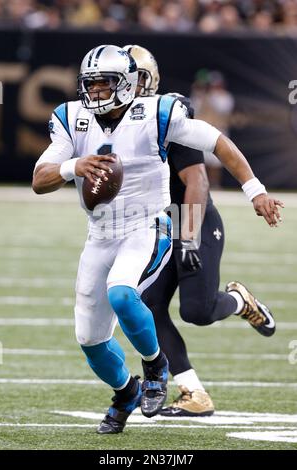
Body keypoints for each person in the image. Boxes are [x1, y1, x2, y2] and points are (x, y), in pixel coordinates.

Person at [32, 44, 282, 434]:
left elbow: (209, 157)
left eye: (105, 84)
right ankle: (127, 392)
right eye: (91, 85)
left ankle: (158, 367)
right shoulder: (72, 118)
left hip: (156, 223)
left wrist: (254, 192)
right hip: (100, 233)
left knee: (148, 299)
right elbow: (39, 178)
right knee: (91, 338)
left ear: (134, 82)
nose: (96, 93)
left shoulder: (160, 114)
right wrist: (73, 166)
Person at [124, 44, 283, 417]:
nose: (125, 88)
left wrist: (253, 192)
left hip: (191, 219)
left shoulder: (164, 116)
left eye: (133, 79)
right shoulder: (109, 121)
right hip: (161, 223)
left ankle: (241, 301)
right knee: (148, 307)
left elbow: (199, 178)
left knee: (197, 311)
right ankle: (193, 392)